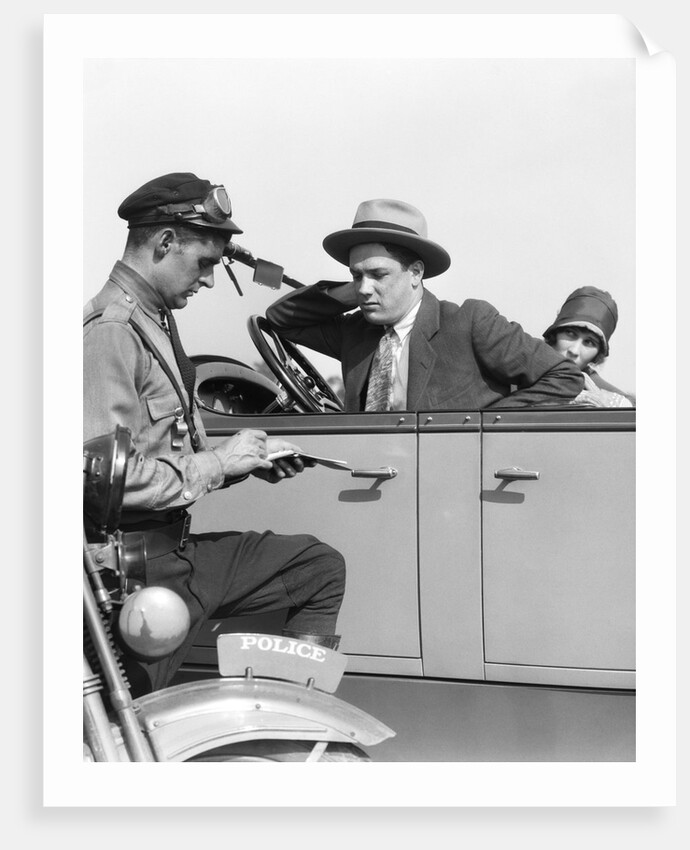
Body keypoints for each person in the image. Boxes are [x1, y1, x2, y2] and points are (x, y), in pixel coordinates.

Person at [83, 172, 345, 695]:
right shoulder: (111, 332)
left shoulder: (154, 319)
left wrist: (245, 463)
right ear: (164, 242)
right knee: (129, 716)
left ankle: (291, 716)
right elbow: (104, 481)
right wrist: (219, 464)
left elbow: (166, 447)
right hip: (135, 573)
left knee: (317, 567)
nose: (207, 279)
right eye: (204, 262)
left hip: (174, 553)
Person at [266, 199, 584, 412]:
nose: (364, 288)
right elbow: (281, 319)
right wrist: (355, 291)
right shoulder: (356, 331)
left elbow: (563, 377)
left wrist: (485, 426)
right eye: (356, 275)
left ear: (416, 273)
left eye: (378, 274)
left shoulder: (470, 322)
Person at [542, 286, 635, 408]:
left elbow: (630, 407)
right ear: (555, 334)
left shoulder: (590, 383)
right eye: (570, 333)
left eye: (589, 342)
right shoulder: (523, 360)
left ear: (597, 355)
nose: (574, 351)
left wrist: (616, 405)